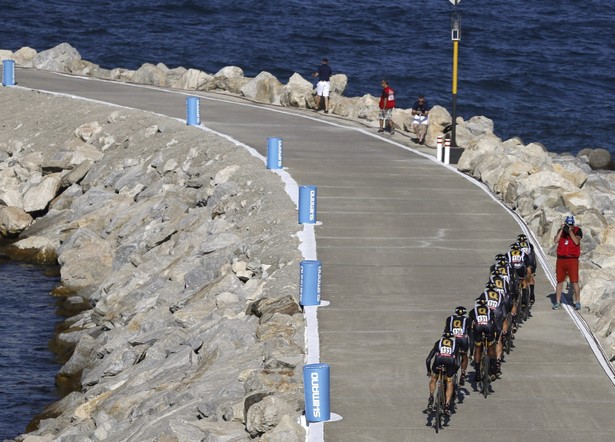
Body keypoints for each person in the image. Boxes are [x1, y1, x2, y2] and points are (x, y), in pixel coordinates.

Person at [426, 330, 459, 416]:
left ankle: (431, 396)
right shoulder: (455, 344)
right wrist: (454, 371)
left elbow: (428, 359)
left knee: (433, 379)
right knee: (449, 382)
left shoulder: (438, 342)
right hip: (450, 361)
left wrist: (429, 371)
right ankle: (447, 405)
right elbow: (458, 362)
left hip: (438, 360)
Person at [554, 215, 583, 310]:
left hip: (572, 259)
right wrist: (562, 230)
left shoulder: (577, 230)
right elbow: (556, 240)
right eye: (568, 224)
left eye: (571, 225)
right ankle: (557, 302)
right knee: (559, 281)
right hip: (561, 259)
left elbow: (576, 241)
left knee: (574, 281)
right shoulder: (561, 231)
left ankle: (578, 301)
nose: (569, 226)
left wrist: (570, 231)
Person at [468, 298, 500, 382]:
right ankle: (493, 372)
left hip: (478, 327)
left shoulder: (473, 311)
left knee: (478, 349)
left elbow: (469, 325)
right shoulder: (490, 310)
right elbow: (496, 325)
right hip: (488, 327)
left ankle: (478, 373)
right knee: (491, 348)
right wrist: (496, 339)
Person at [443, 306, 469, 386]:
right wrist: (471, 351)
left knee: (448, 354)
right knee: (464, 355)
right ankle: (463, 374)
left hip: (452, 340)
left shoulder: (449, 319)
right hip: (462, 340)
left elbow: (445, 331)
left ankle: (446, 370)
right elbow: (470, 332)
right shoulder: (467, 320)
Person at [517, 234, 538, 305]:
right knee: (531, 277)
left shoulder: (516, 246)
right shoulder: (530, 245)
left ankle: (522, 297)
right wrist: (533, 269)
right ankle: (532, 294)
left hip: (521, 264)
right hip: (530, 263)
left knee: (521, 279)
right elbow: (532, 257)